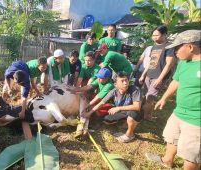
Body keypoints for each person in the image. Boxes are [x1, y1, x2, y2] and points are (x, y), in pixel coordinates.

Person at [145, 30, 201, 170]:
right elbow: (176, 82)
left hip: (196, 118)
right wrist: (164, 98)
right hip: (179, 111)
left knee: (191, 153)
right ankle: (167, 160)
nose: (175, 52)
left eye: (177, 48)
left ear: (190, 47)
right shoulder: (184, 63)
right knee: (172, 137)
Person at [82, 72, 142, 143]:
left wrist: (118, 108)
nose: (125, 83)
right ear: (115, 84)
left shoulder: (134, 89)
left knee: (133, 114)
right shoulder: (113, 92)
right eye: (122, 81)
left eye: (126, 80)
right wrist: (89, 112)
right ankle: (124, 122)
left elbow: (137, 107)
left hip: (134, 112)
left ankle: (129, 135)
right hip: (122, 111)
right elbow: (101, 103)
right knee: (106, 120)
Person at [139, 25, 175, 121]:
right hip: (149, 75)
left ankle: (144, 116)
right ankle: (146, 115)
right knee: (146, 96)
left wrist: (160, 79)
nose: (154, 37)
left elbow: (169, 64)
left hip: (158, 77)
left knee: (150, 98)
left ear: (164, 35)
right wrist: (143, 75)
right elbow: (151, 62)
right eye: (153, 35)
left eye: (157, 35)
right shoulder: (154, 46)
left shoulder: (169, 46)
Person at [67, 68, 114, 136]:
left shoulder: (109, 85)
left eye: (101, 78)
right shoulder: (99, 80)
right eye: (98, 77)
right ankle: (90, 114)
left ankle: (97, 120)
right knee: (87, 96)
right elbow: (89, 86)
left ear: (107, 78)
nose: (99, 79)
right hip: (100, 99)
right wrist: (77, 89)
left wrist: (88, 106)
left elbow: (98, 98)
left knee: (93, 106)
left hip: (108, 102)